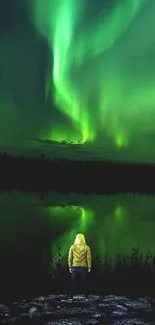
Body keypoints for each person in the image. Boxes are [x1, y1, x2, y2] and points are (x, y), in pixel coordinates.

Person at [68, 233, 91, 299]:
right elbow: (88, 258)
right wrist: (89, 267)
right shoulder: (87, 247)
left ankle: (70, 296)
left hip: (74, 267)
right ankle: (86, 296)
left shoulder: (72, 247)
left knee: (73, 282)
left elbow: (70, 257)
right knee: (85, 282)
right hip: (84, 267)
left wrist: (69, 266)